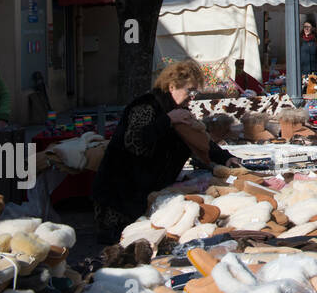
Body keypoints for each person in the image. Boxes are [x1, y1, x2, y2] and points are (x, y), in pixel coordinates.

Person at [92, 59, 238, 244]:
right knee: (121, 246)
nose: (192, 97)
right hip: (120, 195)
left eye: (195, 92)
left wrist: (226, 159)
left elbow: (198, 139)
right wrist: (168, 120)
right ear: (172, 86)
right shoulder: (146, 106)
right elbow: (135, 143)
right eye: (189, 90)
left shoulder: (178, 110)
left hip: (145, 192)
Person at [297, 18, 317, 85]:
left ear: (313, 28)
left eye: (308, 27)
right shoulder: (299, 40)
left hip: (314, 73)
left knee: (314, 92)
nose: (306, 29)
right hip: (302, 74)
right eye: (305, 27)